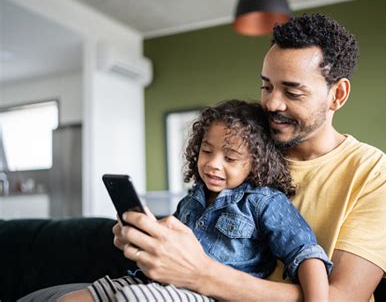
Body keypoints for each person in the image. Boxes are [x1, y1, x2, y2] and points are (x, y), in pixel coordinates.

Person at [105, 13, 386, 301]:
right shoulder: (244, 154)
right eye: (266, 86)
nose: (272, 103)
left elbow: (342, 299)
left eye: (292, 92)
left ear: (337, 95)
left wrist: (202, 274)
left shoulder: (375, 173)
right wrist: (151, 240)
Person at [59, 100, 333, 302]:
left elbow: (306, 253)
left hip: (207, 295)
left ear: (256, 162)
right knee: (70, 300)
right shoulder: (192, 199)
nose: (213, 164)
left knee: (134, 298)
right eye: (206, 151)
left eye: (230, 158)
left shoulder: (264, 202)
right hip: (154, 280)